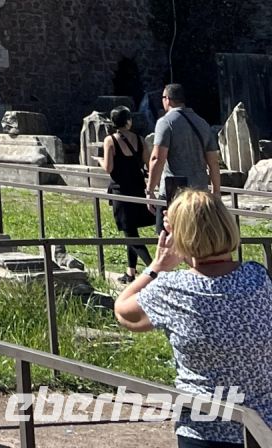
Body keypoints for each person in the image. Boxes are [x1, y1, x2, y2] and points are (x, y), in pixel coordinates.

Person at [114, 190, 272, 445]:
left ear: (180, 237)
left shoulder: (172, 289)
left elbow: (123, 311)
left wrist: (157, 267)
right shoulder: (258, 278)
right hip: (260, 430)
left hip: (203, 432)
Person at [148, 83, 221, 227]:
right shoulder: (203, 123)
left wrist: (149, 191)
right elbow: (213, 162)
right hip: (200, 190)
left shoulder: (165, 122)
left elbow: (157, 158)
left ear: (167, 99)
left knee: (169, 235)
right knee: (195, 236)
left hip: (175, 191)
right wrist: (216, 191)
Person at [101, 105, 153, 278]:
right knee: (131, 230)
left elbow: (109, 167)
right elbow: (149, 164)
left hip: (121, 190)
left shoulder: (110, 141)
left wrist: (100, 161)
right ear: (128, 121)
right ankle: (130, 271)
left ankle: (155, 272)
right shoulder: (140, 139)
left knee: (131, 235)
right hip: (137, 188)